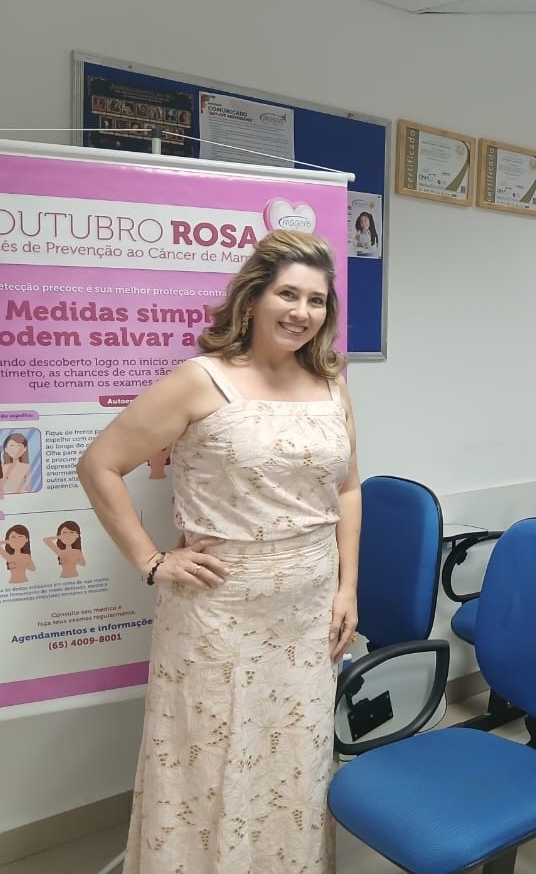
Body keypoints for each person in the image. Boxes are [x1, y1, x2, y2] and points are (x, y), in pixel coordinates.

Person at [77, 229, 360, 874]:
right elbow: (99, 465)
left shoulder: (331, 383)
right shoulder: (200, 380)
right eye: (287, 294)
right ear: (253, 297)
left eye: (316, 300)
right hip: (219, 615)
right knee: (210, 760)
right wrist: (152, 560)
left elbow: (347, 489)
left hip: (309, 612)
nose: (301, 312)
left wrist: (347, 588)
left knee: (295, 757)